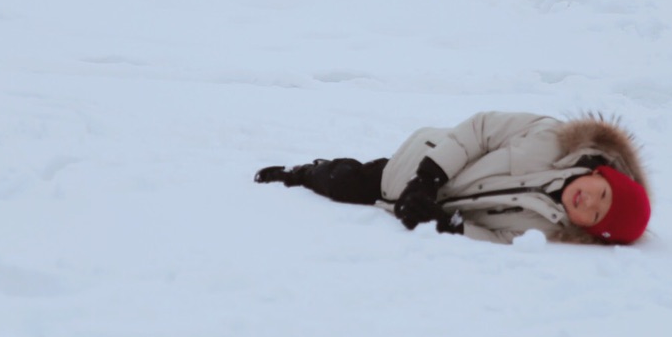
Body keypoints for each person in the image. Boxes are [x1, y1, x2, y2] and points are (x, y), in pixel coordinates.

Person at [255, 112, 651, 245]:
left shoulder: (544, 230)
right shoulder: (551, 136)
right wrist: (426, 179)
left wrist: (445, 224)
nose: (589, 203)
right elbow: (479, 130)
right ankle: (302, 172)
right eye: (602, 194)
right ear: (601, 174)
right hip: (420, 164)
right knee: (343, 181)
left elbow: (496, 237)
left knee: (360, 190)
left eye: (597, 215)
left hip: (421, 204)